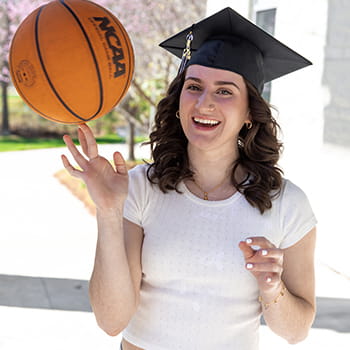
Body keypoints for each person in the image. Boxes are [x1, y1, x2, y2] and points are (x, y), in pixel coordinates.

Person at [62, 7, 317, 350]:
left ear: (249, 114)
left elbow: (296, 331)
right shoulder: (139, 188)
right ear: (178, 101)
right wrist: (109, 211)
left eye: (225, 91)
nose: (204, 103)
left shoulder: (287, 204)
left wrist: (273, 288)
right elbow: (112, 321)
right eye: (193, 86)